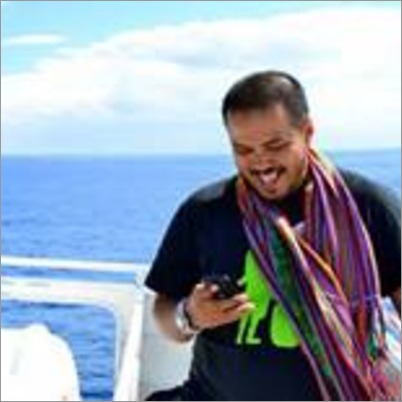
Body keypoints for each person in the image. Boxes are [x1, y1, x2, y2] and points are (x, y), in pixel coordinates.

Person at [145, 70, 401, 401]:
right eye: (243, 149)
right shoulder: (204, 211)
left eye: (275, 145)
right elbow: (164, 310)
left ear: (307, 132)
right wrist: (190, 315)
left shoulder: (367, 207)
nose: (261, 162)